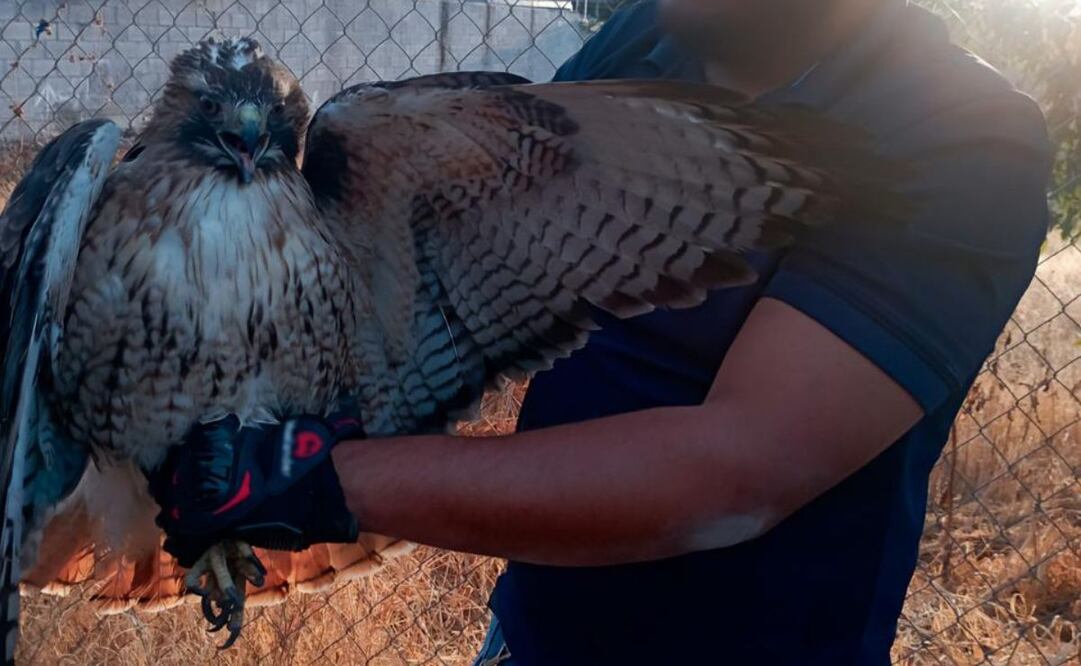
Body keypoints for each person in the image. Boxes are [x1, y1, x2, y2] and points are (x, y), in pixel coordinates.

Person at [153, 0, 1053, 663]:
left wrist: (309, 474)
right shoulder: (651, 36)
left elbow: (735, 472)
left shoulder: (963, 135)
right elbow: (479, 252)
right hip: (532, 632)